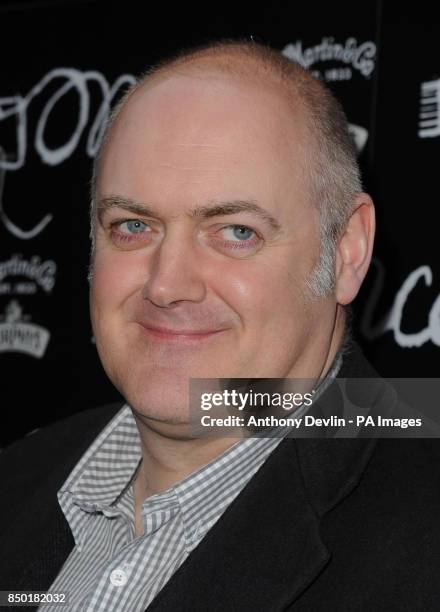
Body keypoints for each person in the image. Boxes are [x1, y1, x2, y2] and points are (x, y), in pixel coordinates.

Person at [1, 39, 439, 612]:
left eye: (236, 232)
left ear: (347, 251)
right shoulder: (16, 480)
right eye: (133, 226)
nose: (166, 284)